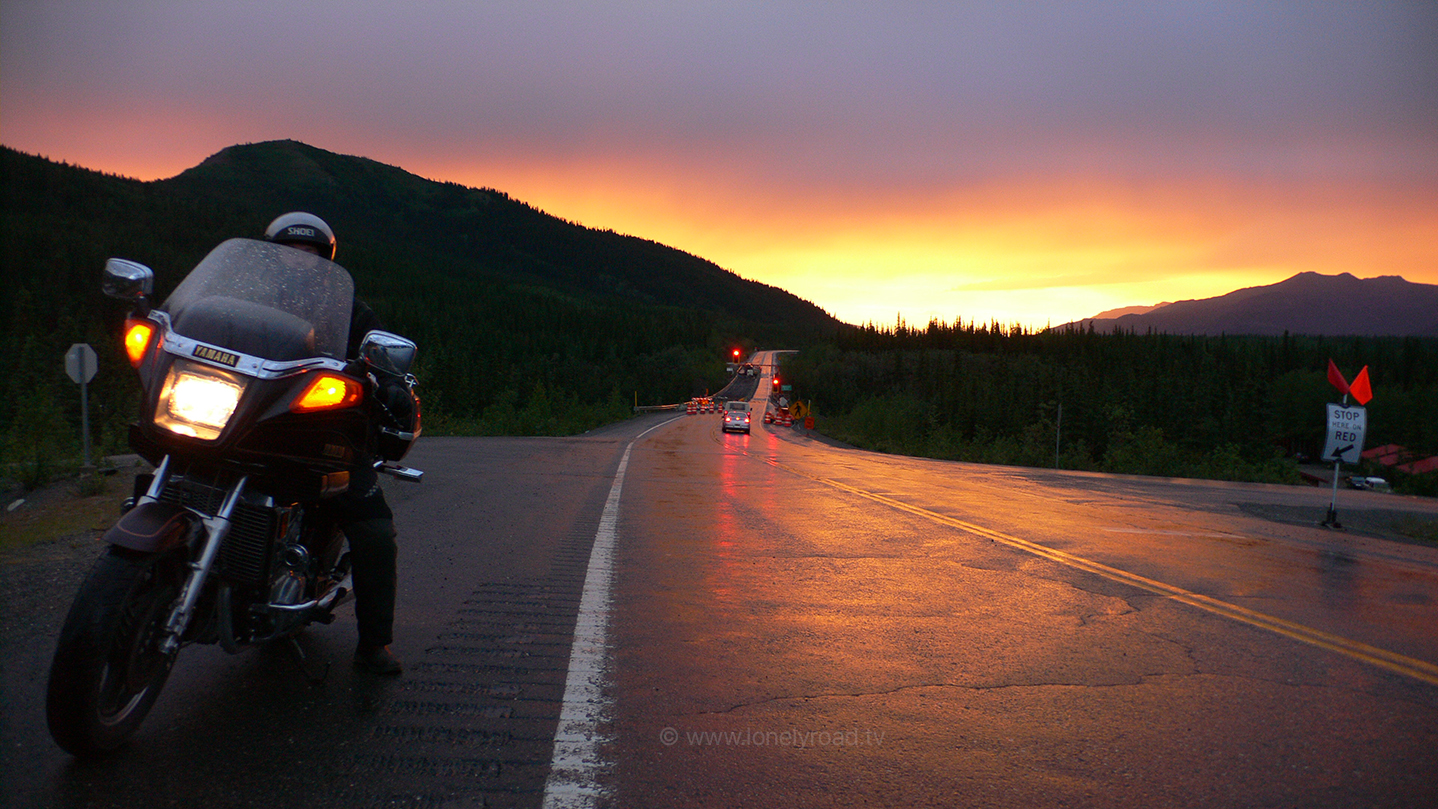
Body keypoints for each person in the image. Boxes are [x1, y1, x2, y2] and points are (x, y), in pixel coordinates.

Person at [264, 212, 404, 676]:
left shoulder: (352, 313)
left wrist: (387, 382)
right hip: (258, 429)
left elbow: (378, 358)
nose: (300, 264)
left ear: (325, 262)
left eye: (310, 257)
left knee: (373, 530)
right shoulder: (246, 302)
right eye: (289, 255)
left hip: (327, 437)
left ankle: (373, 645)